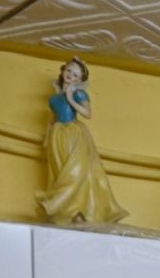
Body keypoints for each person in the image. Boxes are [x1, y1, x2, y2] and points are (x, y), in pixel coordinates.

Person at [38, 57, 127, 227]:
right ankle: (67, 212)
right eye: (69, 71)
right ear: (63, 70)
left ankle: (63, 207)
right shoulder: (54, 98)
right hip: (57, 136)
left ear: (80, 80)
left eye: (75, 75)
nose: (70, 75)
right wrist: (47, 137)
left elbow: (87, 114)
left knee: (75, 172)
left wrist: (71, 98)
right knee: (60, 172)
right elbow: (51, 120)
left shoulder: (79, 94)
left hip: (75, 134)